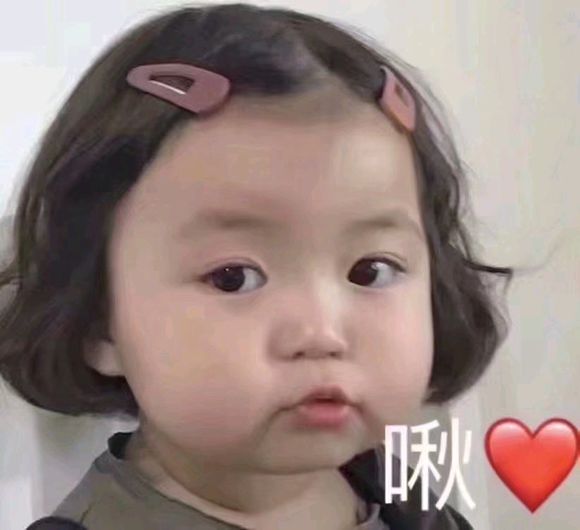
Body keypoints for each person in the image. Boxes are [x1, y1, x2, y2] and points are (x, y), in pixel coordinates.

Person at [0, 3, 515, 529]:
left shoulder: (399, 496)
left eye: (371, 270)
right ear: (98, 322)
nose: (322, 333)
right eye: (234, 278)